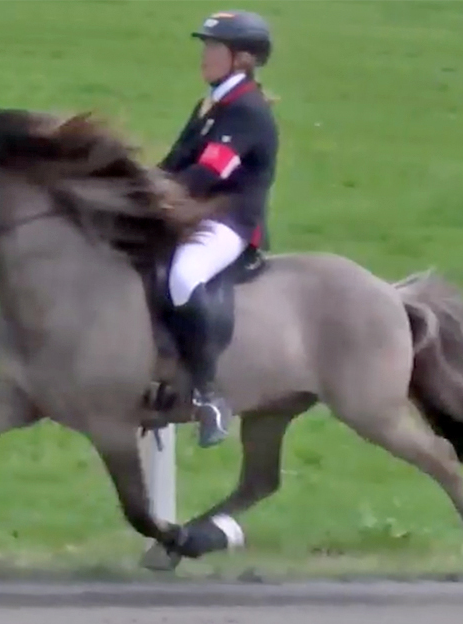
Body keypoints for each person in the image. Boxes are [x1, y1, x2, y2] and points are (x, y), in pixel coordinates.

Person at [157, 9, 279, 448]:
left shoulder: (247, 110)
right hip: (197, 212)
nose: (205, 56)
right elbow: (175, 163)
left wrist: (157, 197)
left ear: (241, 58)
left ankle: (209, 393)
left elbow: (210, 170)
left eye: (214, 48)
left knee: (183, 276)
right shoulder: (210, 105)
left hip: (231, 221)